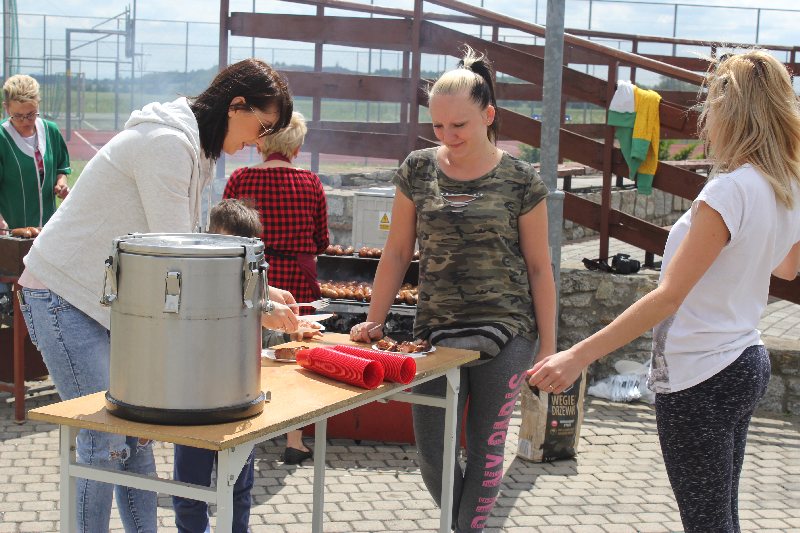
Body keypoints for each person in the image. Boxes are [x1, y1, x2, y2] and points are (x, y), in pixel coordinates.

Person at [17, 58, 299, 533]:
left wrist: (262, 290)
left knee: (137, 439)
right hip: (60, 294)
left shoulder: (196, 151)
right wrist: (258, 305)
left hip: (108, 304)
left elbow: (193, 247)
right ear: (236, 106)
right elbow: (181, 259)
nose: (260, 141)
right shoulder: (167, 145)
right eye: (262, 127)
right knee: (104, 442)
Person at [528, 50, 800, 533]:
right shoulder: (786, 185)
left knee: (708, 524)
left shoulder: (730, 190)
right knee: (721, 518)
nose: (705, 119)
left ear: (731, 112)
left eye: (711, 107)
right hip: (744, 359)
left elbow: (669, 296)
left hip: (702, 373)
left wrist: (577, 356)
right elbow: (787, 266)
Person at [349, 46, 556, 532]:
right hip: (435, 332)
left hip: (508, 331)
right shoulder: (417, 169)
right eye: (438, 126)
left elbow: (539, 266)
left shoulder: (522, 179)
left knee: (486, 449)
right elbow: (397, 253)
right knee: (433, 454)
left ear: (489, 116)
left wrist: (548, 347)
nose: (447, 136)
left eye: (458, 125)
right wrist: (374, 321)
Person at [172, 198, 319, 533]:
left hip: (239, 402)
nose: (233, 261)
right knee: (190, 491)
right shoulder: (192, 278)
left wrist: (277, 309)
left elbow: (259, 316)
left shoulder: (252, 284)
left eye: (242, 254)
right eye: (226, 249)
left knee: (239, 487)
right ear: (209, 240)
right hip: (193, 403)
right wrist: (263, 307)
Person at [223, 111, 330, 465]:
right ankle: (294, 440)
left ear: (261, 143)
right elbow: (322, 240)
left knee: (247, 350)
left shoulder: (240, 178)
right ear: (296, 148)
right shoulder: (311, 183)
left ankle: (245, 420)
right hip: (298, 278)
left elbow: (224, 233)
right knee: (296, 356)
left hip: (253, 274)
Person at [0, 74, 71, 232]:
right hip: (11, 230)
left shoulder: (51, 131)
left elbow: (61, 167)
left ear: (38, 104)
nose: (25, 121)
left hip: (47, 229)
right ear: (6, 107)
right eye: (18, 116)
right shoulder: (2, 137)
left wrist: (61, 183)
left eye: (31, 114)